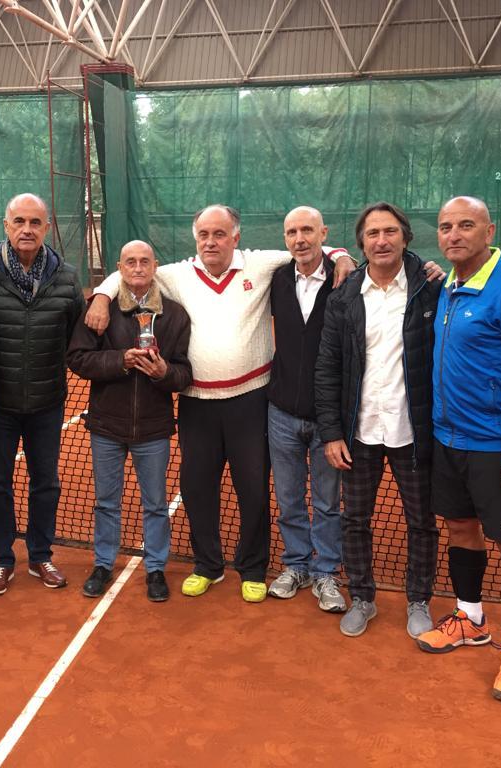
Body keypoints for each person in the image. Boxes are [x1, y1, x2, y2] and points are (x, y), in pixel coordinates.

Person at [86, 205, 353, 603]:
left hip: (251, 400)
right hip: (197, 403)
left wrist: (342, 255)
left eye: (219, 234)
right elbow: (132, 269)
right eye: (204, 235)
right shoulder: (177, 274)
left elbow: (313, 250)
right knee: (197, 488)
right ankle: (206, 565)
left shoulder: (261, 265)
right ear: (196, 239)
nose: (211, 242)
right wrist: (103, 296)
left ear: (236, 237)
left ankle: (252, 567)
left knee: (253, 490)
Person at [414, 196, 501, 704]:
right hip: (448, 438)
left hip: (498, 445)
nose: (454, 234)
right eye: (446, 226)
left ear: (489, 230)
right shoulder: (450, 284)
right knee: (459, 527)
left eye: (466, 225)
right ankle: (470, 618)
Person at [315, 202, 441, 640]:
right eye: (372, 234)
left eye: (390, 232)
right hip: (360, 431)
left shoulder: (431, 288)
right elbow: (327, 368)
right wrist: (331, 432)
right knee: (355, 520)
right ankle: (363, 597)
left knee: (421, 521)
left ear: (405, 237)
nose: (381, 241)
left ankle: (418, 600)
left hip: (414, 432)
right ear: (361, 242)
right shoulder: (343, 298)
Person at [0, 193, 86, 594]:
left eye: (35, 222)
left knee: (46, 482)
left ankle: (40, 555)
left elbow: (75, 337)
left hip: (47, 403)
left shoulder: (66, 277)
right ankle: (1, 560)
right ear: (6, 225)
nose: (27, 229)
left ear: (46, 227)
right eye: (19, 221)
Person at [66, 241, 193, 601]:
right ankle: (103, 563)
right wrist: (121, 360)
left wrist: (163, 371)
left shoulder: (176, 316)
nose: (138, 267)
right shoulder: (98, 311)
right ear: (119, 268)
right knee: (106, 501)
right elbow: (77, 359)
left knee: (155, 503)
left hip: (153, 429)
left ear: (155, 267)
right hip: (107, 426)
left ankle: (155, 569)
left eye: (145, 261)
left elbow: (185, 374)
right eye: (130, 262)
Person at [265, 206, 350, 613]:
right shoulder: (277, 277)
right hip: (281, 412)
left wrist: (342, 255)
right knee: (289, 498)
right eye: (292, 232)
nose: (299, 239)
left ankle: (326, 572)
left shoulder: (344, 278)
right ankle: (296, 564)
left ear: (323, 233)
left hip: (328, 418)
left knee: (327, 503)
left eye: (307, 231)